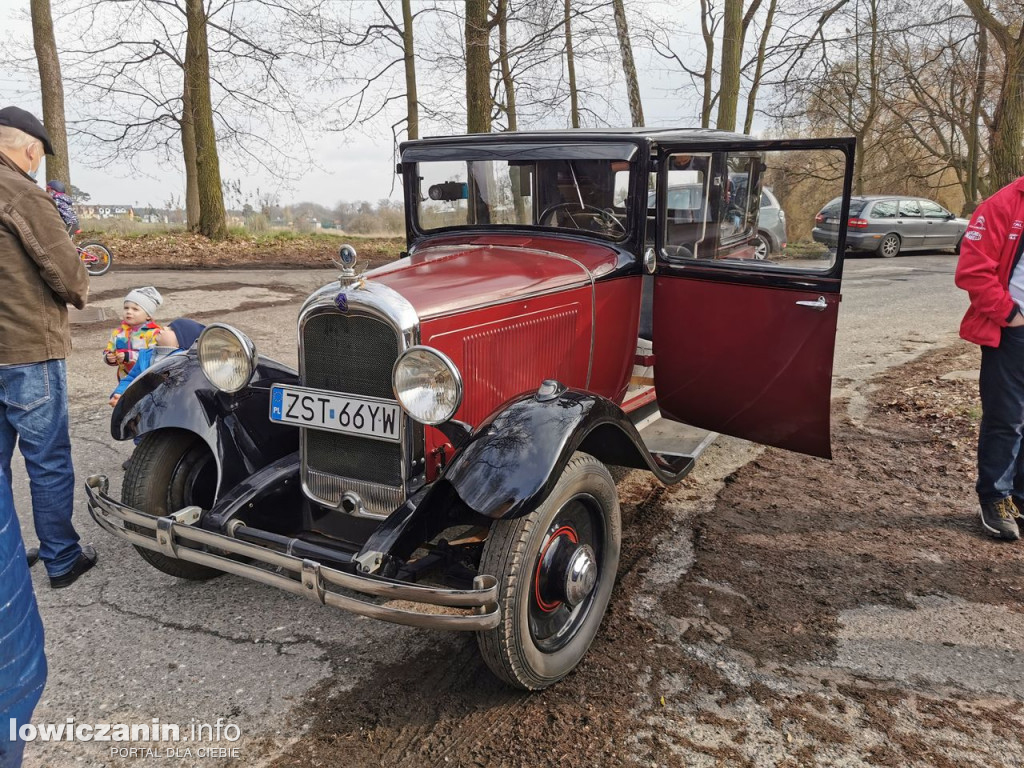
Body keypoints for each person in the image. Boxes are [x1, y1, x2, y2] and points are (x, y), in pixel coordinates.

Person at [0, 104, 90, 766]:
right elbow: (67, 273)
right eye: (40, 153)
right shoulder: (20, 193)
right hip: (26, 349)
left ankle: (12, 555)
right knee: (49, 459)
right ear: (25, 149)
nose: (40, 163)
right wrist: (83, 273)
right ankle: (60, 557)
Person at [954, 175, 1024, 540]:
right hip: (1014, 331)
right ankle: (995, 497)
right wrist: (1010, 315)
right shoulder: (1003, 204)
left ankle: (1020, 498)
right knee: (1007, 418)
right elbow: (973, 270)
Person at [108, 318, 205, 407]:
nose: (164, 327)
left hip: (167, 410)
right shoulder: (146, 356)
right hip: (142, 408)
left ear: (179, 343)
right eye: (168, 325)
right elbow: (131, 378)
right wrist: (120, 393)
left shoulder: (181, 361)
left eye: (171, 329)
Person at [103, 287, 163, 381]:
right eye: (126, 308)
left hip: (147, 378)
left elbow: (154, 355)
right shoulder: (118, 333)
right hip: (124, 378)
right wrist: (108, 358)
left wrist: (130, 356)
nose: (129, 312)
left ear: (148, 315)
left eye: (135, 309)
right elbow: (109, 350)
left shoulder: (154, 333)